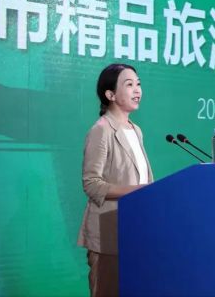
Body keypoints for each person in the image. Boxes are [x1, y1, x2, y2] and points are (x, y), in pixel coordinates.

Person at [77, 63, 154, 297]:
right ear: (110, 95)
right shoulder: (101, 130)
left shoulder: (136, 130)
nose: (137, 90)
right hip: (108, 232)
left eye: (138, 84)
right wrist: (137, 191)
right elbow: (91, 184)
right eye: (129, 85)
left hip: (136, 229)